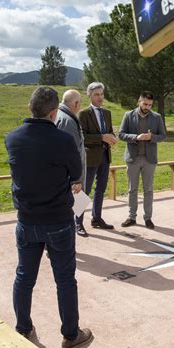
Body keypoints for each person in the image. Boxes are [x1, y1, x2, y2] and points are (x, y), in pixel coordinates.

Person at [5, 86, 93, 348]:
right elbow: (76, 173)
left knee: (24, 276)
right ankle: (70, 335)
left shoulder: (13, 138)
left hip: (26, 220)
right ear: (54, 112)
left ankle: (23, 328)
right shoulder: (62, 141)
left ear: (30, 108)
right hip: (58, 221)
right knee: (65, 280)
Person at [119, 91, 166, 229]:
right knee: (132, 190)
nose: (147, 107)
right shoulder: (128, 115)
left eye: (150, 105)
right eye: (145, 103)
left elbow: (163, 136)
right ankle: (131, 217)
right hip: (132, 158)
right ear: (139, 101)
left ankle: (148, 218)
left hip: (149, 159)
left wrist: (152, 137)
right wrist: (135, 137)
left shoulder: (157, 117)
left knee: (148, 190)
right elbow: (121, 134)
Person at [77, 82, 117, 237]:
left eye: (102, 94)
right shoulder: (83, 114)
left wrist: (112, 138)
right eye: (96, 95)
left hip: (105, 157)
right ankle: (78, 222)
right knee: (84, 191)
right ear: (89, 96)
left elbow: (110, 131)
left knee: (100, 189)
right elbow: (83, 137)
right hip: (90, 158)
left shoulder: (107, 113)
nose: (100, 97)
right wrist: (102, 137)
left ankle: (96, 218)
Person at [55, 89, 85, 193]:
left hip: (61, 178)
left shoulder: (58, 114)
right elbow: (72, 154)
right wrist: (76, 180)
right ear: (76, 103)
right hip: (71, 183)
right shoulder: (68, 121)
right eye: (80, 103)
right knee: (76, 209)